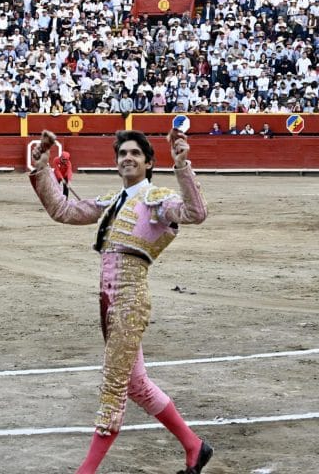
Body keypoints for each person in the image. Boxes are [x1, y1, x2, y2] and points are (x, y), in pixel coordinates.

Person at [29, 129, 213, 474]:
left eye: (135, 154)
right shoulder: (115, 200)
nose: (127, 158)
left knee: (114, 385)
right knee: (136, 384)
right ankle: (195, 447)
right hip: (108, 299)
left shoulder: (157, 201)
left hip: (130, 300)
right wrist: (41, 168)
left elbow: (195, 211)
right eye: (122, 153)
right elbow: (63, 210)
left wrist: (183, 165)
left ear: (149, 162)